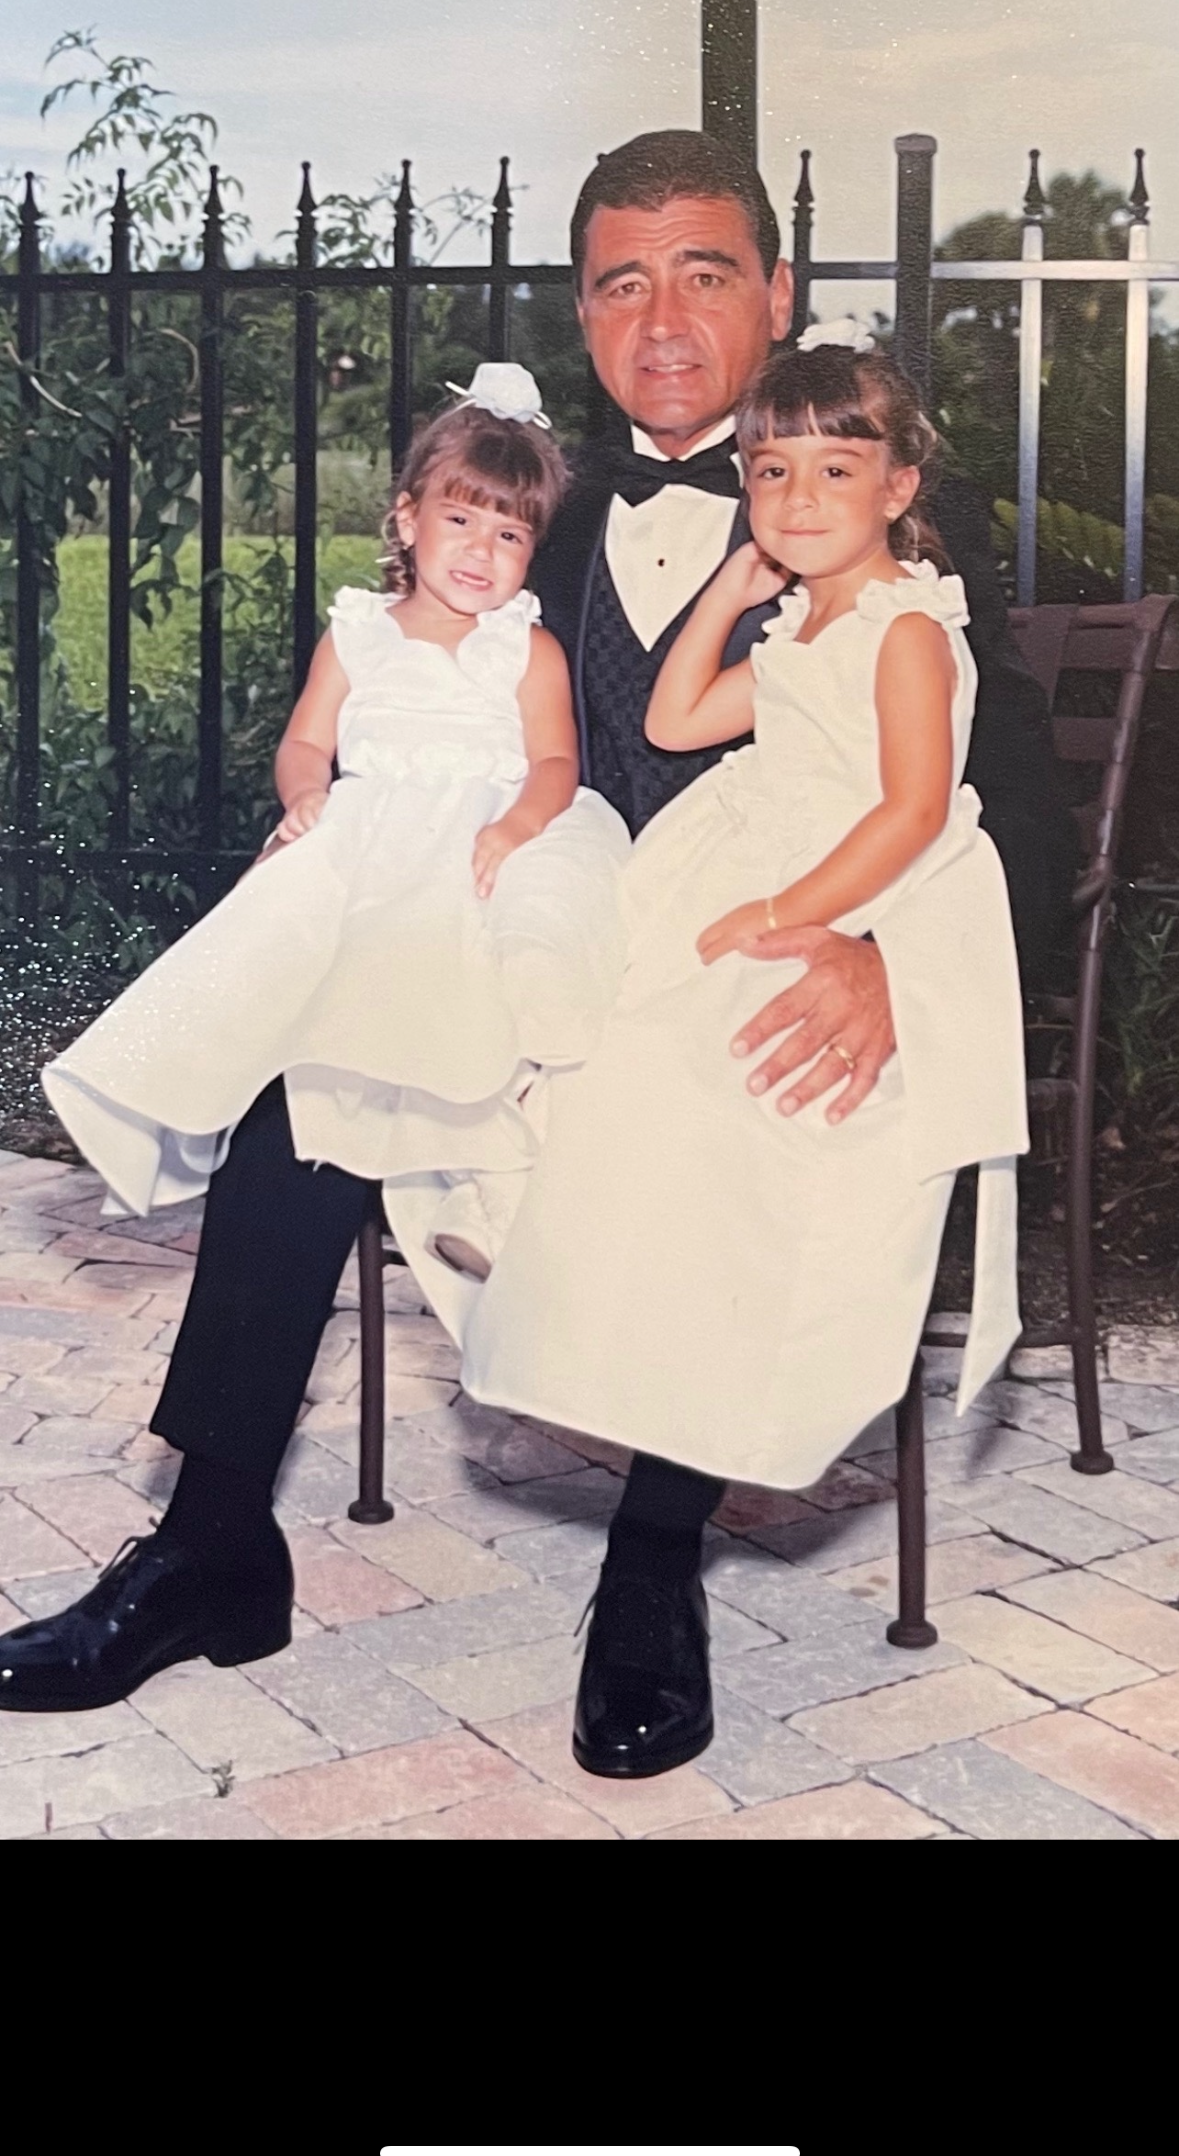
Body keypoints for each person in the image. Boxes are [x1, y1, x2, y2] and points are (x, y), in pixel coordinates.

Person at [0, 128, 1073, 1738]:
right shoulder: (528, 516)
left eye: (704, 275)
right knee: (307, 1095)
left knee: (714, 1111)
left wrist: (877, 955)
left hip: (747, 962)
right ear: (579, 317)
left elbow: (1006, 818)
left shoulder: (853, 502)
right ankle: (211, 1550)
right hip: (534, 937)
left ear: (776, 296)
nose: (660, 319)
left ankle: (651, 1571)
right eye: (617, 284)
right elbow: (394, 713)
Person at [2, 369, 628, 1711]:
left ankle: (218, 1548)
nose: (485, 552)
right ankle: (214, 1547)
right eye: (463, 523)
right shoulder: (362, 632)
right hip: (374, 896)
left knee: (447, 1063)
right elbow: (306, 745)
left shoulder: (532, 649)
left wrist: (515, 832)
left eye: (511, 533)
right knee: (285, 1117)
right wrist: (304, 806)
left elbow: (557, 768)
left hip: (522, 907)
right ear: (404, 519)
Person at [465, 339, 1029, 1774]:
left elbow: (909, 810)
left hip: (847, 894)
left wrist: (788, 913)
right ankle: (575, 1299)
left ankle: (658, 1533)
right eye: (767, 471)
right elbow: (668, 719)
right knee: (584, 1069)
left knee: (707, 1105)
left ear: (900, 486)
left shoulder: (907, 626)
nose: (793, 495)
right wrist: (737, 585)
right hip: (745, 868)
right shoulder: (805, 624)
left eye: (833, 470)